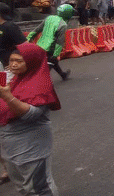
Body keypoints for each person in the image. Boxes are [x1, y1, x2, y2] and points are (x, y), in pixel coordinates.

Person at [0, 43, 61, 195]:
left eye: (19, 61)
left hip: (31, 145)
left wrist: (7, 96)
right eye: (11, 60)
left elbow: (31, 115)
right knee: (22, 185)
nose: (13, 64)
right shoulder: (13, 80)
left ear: (31, 62)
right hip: (10, 146)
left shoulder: (41, 84)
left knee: (39, 187)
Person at [27, 4, 75, 81]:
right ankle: (36, 82)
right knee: (49, 64)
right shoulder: (63, 25)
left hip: (40, 45)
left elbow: (37, 29)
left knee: (53, 62)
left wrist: (29, 37)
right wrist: (56, 54)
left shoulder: (49, 18)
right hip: (50, 48)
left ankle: (63, 75)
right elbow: (60, 41)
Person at [0, 3, 26, 72]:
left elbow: (24, 45)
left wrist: (16, 61)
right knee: (2, 82)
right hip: (1, 64)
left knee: (7, 82)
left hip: (10, 67)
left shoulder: (10, 27)